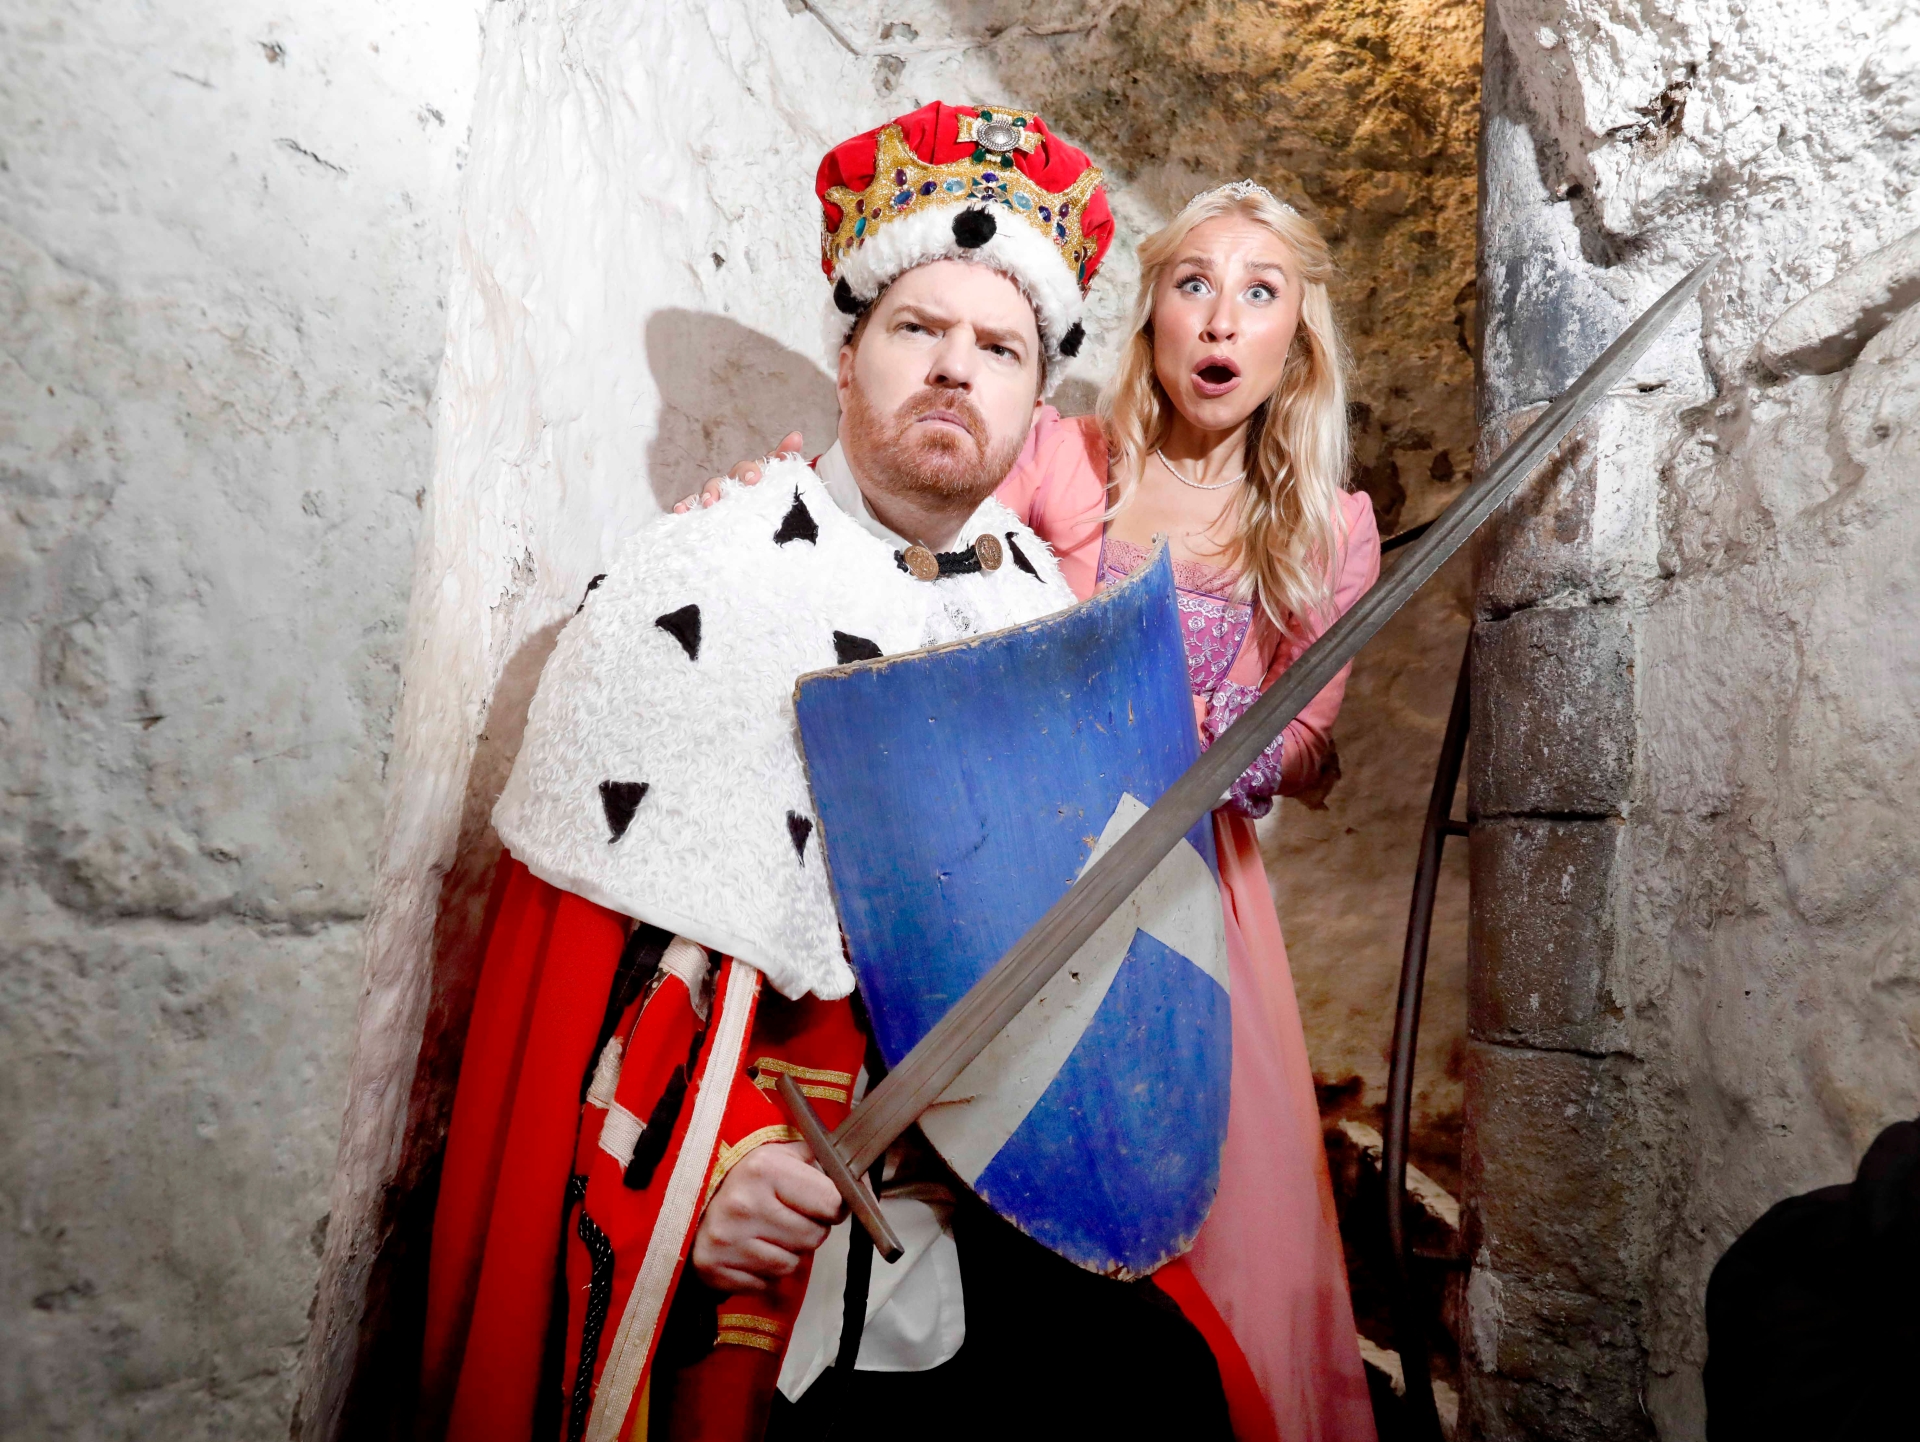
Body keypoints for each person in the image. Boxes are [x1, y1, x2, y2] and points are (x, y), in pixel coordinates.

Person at [420, 102, 1261, 1442]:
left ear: (1034, 397)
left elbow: (1093, 1009)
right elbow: (590, 1001)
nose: (955, 370)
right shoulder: (700, 585)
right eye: (919, 328)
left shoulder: (1041, 619)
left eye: (999, 348)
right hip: (769, 1232)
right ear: (849, 351)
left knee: (1167, 1395)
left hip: (991, 1224)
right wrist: (705, 1192)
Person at [687, 177, 1384, 1442]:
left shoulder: (1332, 529)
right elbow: (920, 556)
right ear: (1153, 317)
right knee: (1008, 1159)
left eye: (1259, 292)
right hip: (1018, 852)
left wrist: (1226, 747)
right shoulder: (1071, 455)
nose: (1221, 318)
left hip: (1191, 889)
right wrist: (780, 500)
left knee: (1206, 1209)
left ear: (1297, 336)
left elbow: (1311, 740)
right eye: (1193, 284)